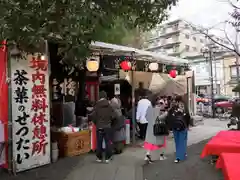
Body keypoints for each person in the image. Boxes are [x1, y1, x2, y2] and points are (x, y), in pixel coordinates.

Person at [89, 91, 118, 163]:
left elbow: (93, 116)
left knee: (99, 142)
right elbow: (114, 116)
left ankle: (99, 157)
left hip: (99, 127)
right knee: (108, 142)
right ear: (105, 97)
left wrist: (97, 123)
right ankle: (108, 157)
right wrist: (111, 123)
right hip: (108, 126)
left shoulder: (96, 106)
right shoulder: (109, 106)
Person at [144, 97, 168, 163]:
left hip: (150, 128)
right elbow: (158, 118)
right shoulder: (157, 109)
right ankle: (161, 156)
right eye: (159, 103)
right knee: (161, 142)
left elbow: (146, 117)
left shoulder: (149, 109)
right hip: (157, 127)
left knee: (150, 142)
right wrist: (165, 114)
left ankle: (147, 155)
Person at [167, 95, 191, 163]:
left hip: (175, 126)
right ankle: (181, 154)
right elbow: (188, 116)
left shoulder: (173, 107)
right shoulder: (185, 106)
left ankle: (178, 156)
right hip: (183, 126)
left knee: (177, 141)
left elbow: (169, 117)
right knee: (183, 140)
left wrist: (170, 127)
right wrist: (187, 125)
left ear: (176, 100)